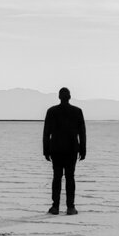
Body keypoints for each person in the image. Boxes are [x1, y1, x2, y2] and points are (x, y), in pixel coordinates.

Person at [42, 87, 86, 215]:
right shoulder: (77, 111)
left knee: (57, 177)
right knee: (70, 177)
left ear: (59, 97)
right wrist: (83, 149)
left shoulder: (52, 111)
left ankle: (55, 207)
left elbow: (46, 133)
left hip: (56, 149)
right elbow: (82, 133)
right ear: (70, 97)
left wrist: (46, 150)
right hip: (71, 149)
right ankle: (70, 207)